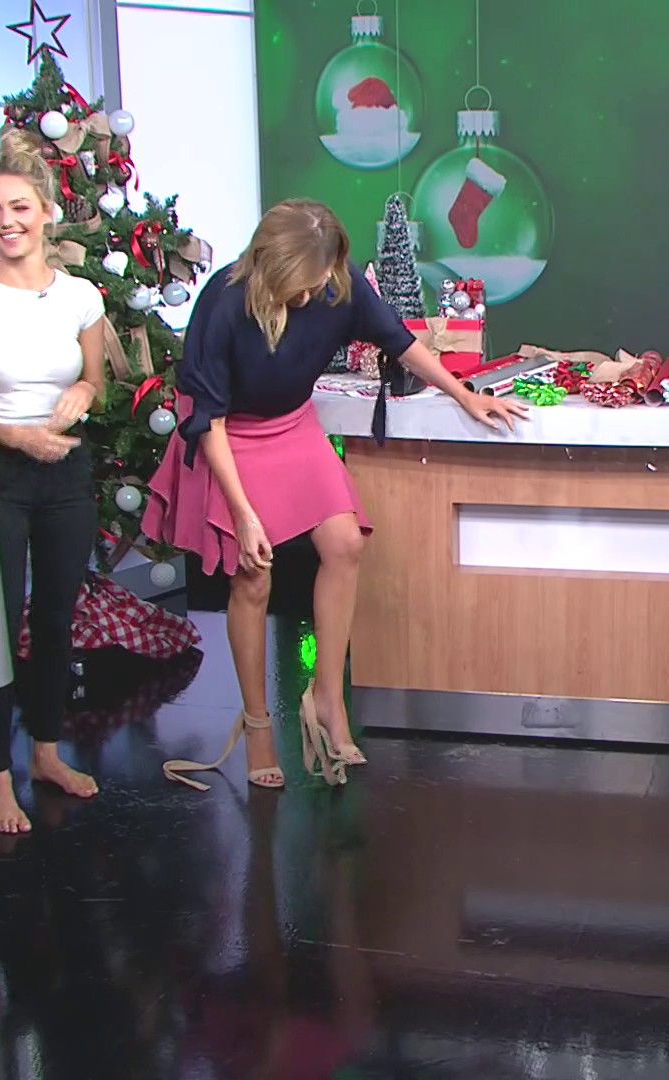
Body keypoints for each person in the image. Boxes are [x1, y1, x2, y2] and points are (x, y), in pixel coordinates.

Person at [144, 199, 527, 789]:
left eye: (320, 280)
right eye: (301, 285)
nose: (312, 294)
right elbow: (210, 420)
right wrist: (243, 515)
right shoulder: (225, 301)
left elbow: (399, 341)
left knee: (346, 542)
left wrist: (463, 393)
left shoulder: (337, 282)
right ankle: (258, 726)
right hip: (230, 437)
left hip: (291, 426)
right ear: (269, 268)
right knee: (253, 575)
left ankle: (327, 698)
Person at [0, 129, 105, 834]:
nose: (7, 222)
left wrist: (84, 395)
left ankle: (47, 753)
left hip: (67, 470)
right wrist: (12, 435)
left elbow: (95, 379)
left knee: (57, 618)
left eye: (20, 208)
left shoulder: (81, 296)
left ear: (47, 213)